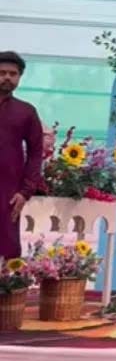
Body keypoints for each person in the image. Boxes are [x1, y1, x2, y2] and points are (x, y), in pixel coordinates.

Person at [0, 51, 44, 261]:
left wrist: (25, 191)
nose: (7, 77)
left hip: (7, 191)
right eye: (2, 73)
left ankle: (7, 282)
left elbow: (36, 153)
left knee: (7, 247)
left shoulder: (26, 112)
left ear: (19, 77)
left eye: (13, 74)